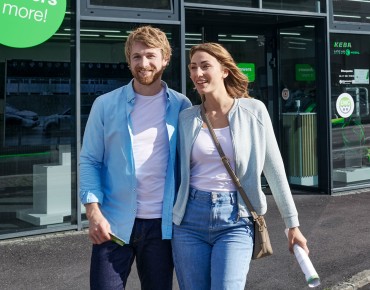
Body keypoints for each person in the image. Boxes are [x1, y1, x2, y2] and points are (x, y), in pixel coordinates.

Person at [172, 42, 309, 290]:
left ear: (224, 70)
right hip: (189, 221)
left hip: (236, 219)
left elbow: (275, 169)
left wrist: (292, 225)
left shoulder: (253, 111)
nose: (198, 73)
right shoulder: (186, 117)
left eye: (205, 66)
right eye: (193, 67)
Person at [79, 25, 191, 290]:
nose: (144, 63)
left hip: (162, 228)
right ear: (128, 60)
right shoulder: (105, 104)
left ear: (165, 59)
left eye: (151, 56)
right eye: (137, 57)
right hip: (113, 224)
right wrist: (93, 213)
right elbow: (90, 160)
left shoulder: (182, 106)